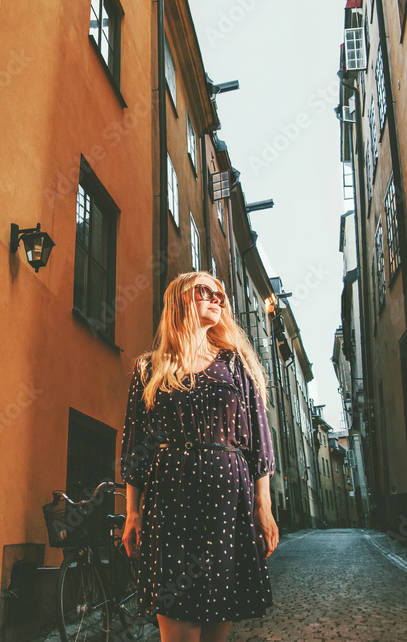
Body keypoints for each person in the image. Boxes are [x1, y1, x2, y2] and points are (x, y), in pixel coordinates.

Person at [120, 271, 279, 642]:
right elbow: (134, 445)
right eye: (205, 291)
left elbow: (258, 441)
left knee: (215, 628)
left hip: (228, 505)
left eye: (221, 295)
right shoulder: (148, 368)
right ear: (179, 299)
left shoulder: (236, 365)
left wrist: (263, 505)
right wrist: (132, 511)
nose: (217, 299)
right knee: (178, 627)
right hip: (170, 503)